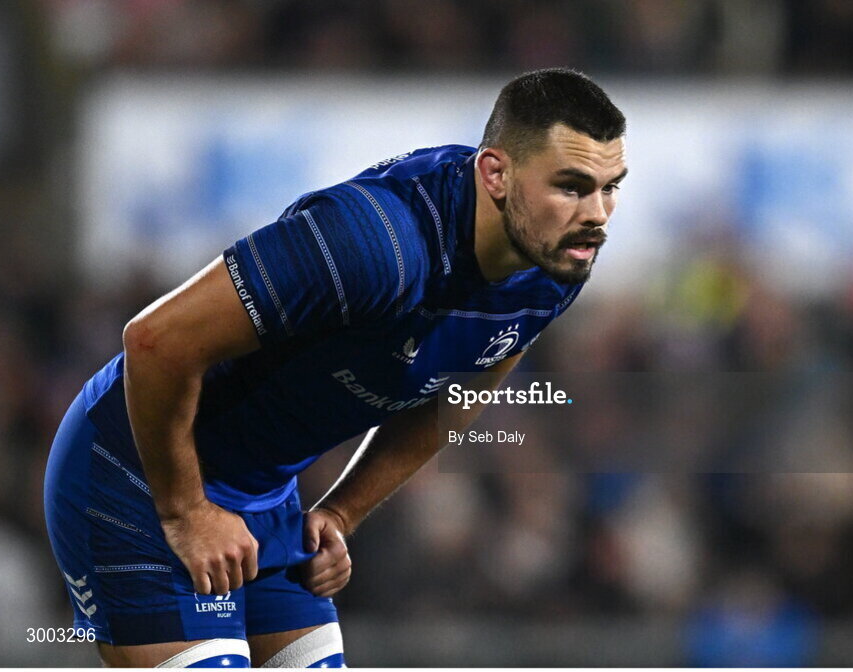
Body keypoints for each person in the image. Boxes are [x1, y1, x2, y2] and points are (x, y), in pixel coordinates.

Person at [44, 67, 627, 668]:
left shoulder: (553, 263)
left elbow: (453, 399)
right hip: (136, 476)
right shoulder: (371, 245)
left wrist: (342, 513)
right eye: (573, 186)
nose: (598, 215)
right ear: (496, 174)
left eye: (611, 187)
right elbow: (153, 344)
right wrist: (187, 512)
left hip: (264, 500)